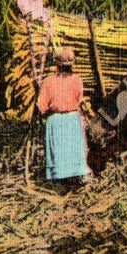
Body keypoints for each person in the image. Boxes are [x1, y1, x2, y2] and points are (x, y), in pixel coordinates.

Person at [36, 47, 89, 183]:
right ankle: (76, 176)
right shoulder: (77, 80)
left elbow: (42, 105)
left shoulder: (49, 81)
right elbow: (79, 99)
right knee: (73, 150)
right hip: (72, 119)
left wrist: (45, 112)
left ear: (56, 65)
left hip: (56, 119)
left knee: (58, 152)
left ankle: (59, 178)